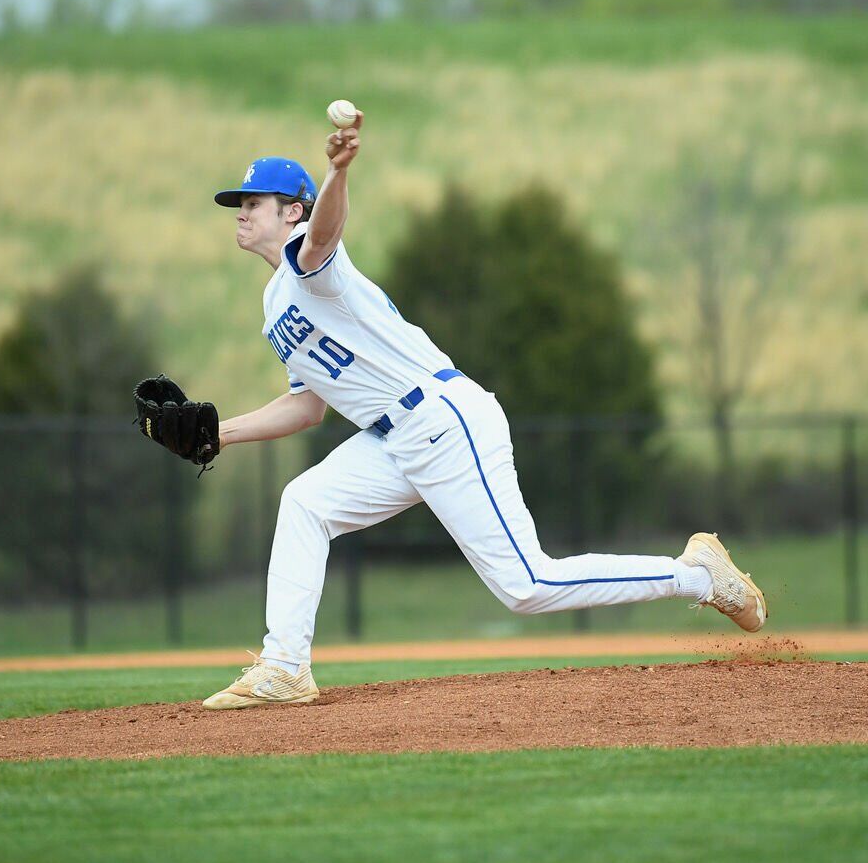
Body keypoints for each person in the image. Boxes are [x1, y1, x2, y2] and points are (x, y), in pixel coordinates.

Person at [200, 112, 766, 710]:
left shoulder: (309, 261)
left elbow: (324, 235)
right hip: (390, 440)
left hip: (443, 420)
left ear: (292, 210)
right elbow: (309, 406)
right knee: (304, 503)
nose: (241, 211)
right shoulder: (274, 303)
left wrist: (337, 173)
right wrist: (221, 433)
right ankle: (286, 665)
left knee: (527, 586)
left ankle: (698, 576)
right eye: (239, 202)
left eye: (254, 200)